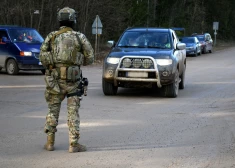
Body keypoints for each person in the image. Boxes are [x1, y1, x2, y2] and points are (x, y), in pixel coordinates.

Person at [40, 7, 94, 153]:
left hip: (54, 81)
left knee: (53, 110)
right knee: (73, 112)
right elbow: (90, 58)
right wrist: (77, 59)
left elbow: (42, 56)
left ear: (59, 20)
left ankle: (50, 143)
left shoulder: (51, 36)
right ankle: (73, 144)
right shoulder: (79, 37)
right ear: (73, 20)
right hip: (73, 81)